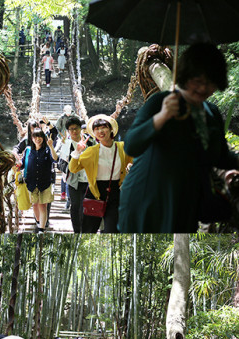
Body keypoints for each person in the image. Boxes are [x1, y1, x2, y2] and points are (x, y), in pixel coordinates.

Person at [119, 43, 239, 232]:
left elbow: (221, 156)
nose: (203, 88)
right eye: (197, 80)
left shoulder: (212, 112)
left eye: (210, 82)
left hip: (186, 201)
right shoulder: (160, 102)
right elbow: (132, 145)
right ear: (186, 75)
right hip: (149, 198)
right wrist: (162, 116)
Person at [69, 114, 132, 233]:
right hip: (95, 193)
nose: (100, 131)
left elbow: (136, 160)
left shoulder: (122, 147)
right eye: (96, 129)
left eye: (104, 127)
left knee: (113, 230)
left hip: (115, 192)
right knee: (88, 230)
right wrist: (77, 151)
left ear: (111, 129)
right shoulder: (91, 151)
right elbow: (73, 168)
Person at [58, 116, 96, 232]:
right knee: (75, 206)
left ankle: (86, 230)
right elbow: (60, 164)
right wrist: (70, 169)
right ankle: (77, 231)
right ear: (68, 131)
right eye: (71, 129)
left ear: (81, 128)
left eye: (76, 128)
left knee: (87, 206)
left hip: (89, 180)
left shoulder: (90, 141)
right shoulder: (66, 144)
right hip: (73, 181)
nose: (74, 131)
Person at [21, 127, 59, 232]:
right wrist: (15, 164)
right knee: (35, 204)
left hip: (44, 183)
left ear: (43, 138)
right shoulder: (28, 150)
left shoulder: (47, 149)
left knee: (43, 206)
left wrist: (51, 147)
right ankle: (39, 223)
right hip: (31, 182)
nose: (38, 139)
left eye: (40, 137)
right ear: (32, 138)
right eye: (35, 137)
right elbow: (22, 164)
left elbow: (55, 159)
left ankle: (41, 229)